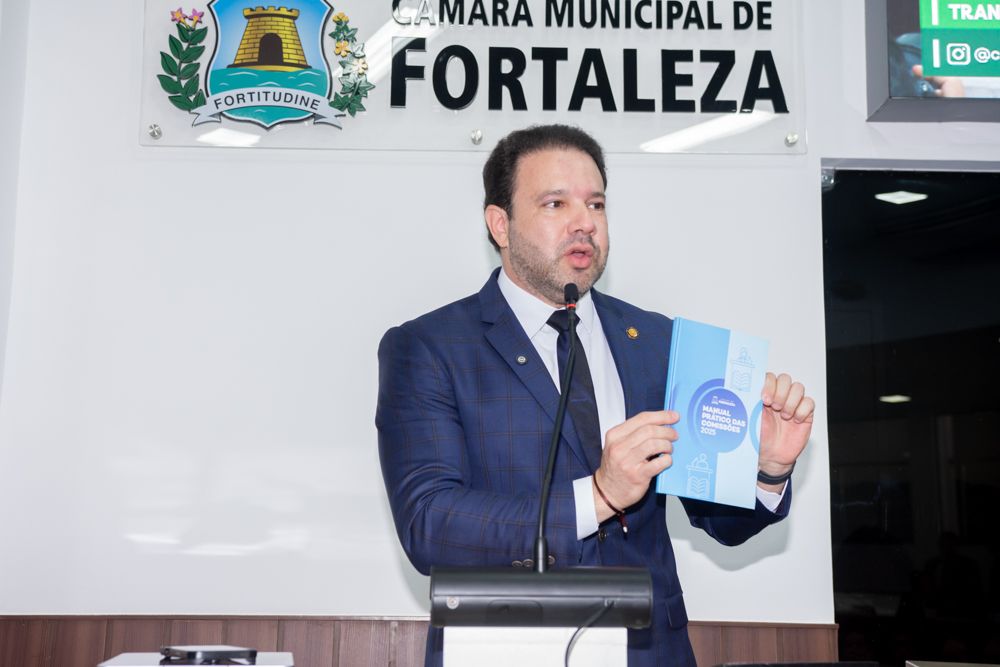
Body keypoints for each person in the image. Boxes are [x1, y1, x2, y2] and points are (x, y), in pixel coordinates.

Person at [376, 124, 814, 667]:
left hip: (650, 651)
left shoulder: (657, 339)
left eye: (596, 204)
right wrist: (599, 496)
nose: (584, 222)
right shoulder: (430, 346)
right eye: (555, 203)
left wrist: (765, 470)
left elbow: (720, 521)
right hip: (505, 650)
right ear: (500, 224)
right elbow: (429, 523)